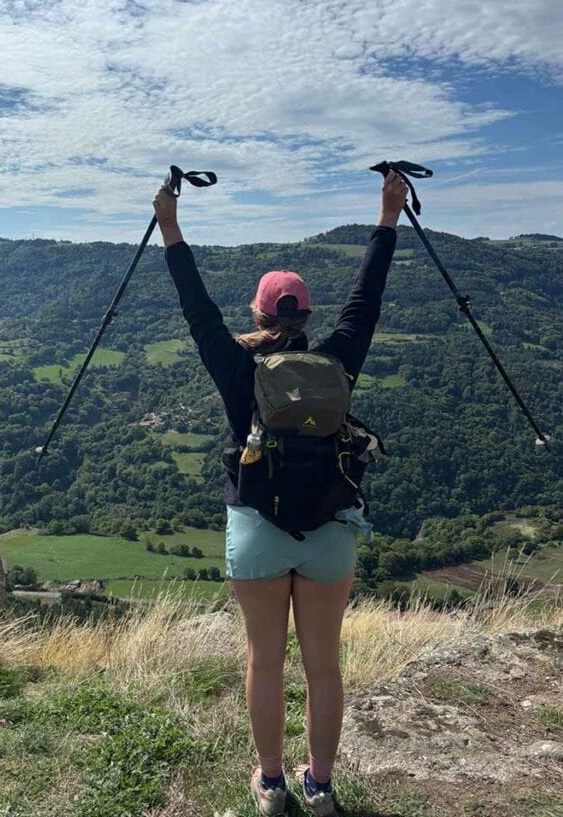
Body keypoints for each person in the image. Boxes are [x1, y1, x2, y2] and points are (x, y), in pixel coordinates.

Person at [153, 172, 408, 817]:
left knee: (264, 662)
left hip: (258, 529)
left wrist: (171, 227)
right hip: (329, 528)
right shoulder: (338, 360)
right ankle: (321, 788)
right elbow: (366, 300)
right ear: (308, 318)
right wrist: (388, 215)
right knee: (325, 667)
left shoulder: (237, 368)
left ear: (259, 315)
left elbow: (196, 306)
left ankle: (271, 785)